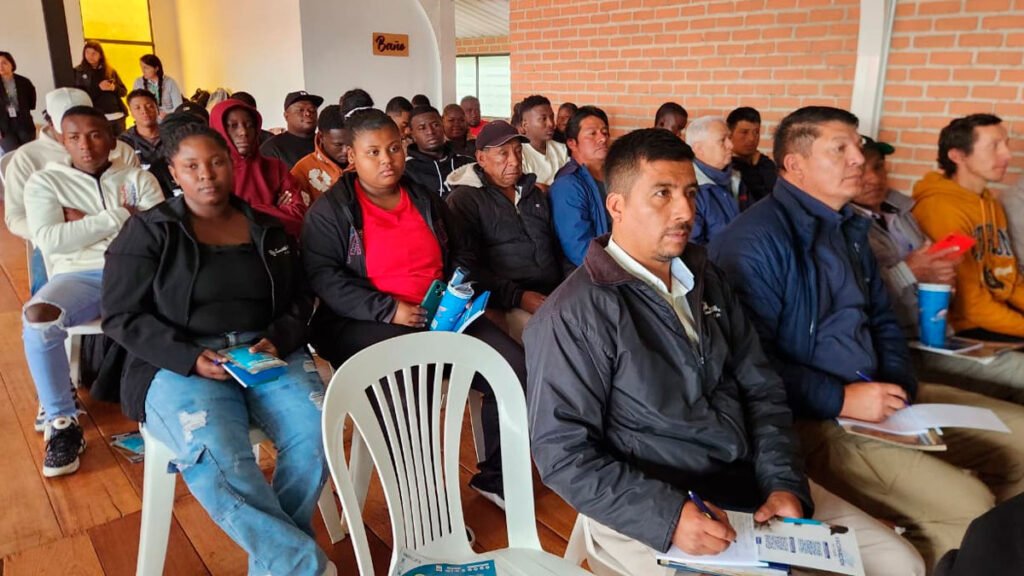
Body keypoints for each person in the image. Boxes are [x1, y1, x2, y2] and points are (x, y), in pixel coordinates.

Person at [526, 127, 924, 576]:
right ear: (616, 206)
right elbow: (562, 452)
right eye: (662, 193)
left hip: (749, 481)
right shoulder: (573, 314)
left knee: (899, 563)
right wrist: (670, 516)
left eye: (690, 192)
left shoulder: (707, 280)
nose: (684, 211)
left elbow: (763, 391)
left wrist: (784, 484)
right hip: (654, 504)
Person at [708, 106, 1024, 567]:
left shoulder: (850, 229)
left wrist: (899, 386)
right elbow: (751, 364)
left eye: (857, 145)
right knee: (969, 505)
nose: (859, 158)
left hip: (882, 398)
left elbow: (883, 322)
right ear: (794, 165)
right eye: (840, 149)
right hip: (812, 417)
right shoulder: (753, 241)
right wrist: (841, 399)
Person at [102, 122, 333, 576]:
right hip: (179, 360)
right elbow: (120, 315)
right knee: (218, 455)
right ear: (173, 172)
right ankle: (302, 563)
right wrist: (190, 358)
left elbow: (302, 298)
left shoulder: (267, 228)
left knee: (315, 434)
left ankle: (276, 565)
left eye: (217, 162)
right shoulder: (150, 233)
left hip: (266, 350)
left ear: (231, 166)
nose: (207, 174)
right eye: (192, 166)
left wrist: (280, 338)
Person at [302, 108, 526, 506]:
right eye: (373, 152)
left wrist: (454, 291)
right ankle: (422, 507)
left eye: (393, 149)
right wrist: (387, 309)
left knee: (515, 369)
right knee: (409, 392)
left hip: (438, 313)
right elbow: (324, 278)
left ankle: (496, 478)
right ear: (352, 157)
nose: (386, 160)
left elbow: (460, 252)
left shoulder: (423, 197)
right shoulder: (332, 212)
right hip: (364, 321)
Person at [21, 105, 162, 477]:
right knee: (38, 316)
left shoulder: (137, 179)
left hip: (138, 270)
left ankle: (166, 402)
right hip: (82, 276)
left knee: (186, 298)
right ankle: (61, 421)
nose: (85, 145)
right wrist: (118, 217)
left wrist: (84, 226)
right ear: (62, 140)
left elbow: (160, 234)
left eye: (95, 134)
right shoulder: (45, 183)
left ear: (112, 139)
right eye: (74, 137)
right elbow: (50, 241)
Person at [852, 136, 1024, 406]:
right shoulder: (843, 224)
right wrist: (910, 271)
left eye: (879, 167)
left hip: (939, 332)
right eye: (862, 169)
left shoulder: (902, 211)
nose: (874, 178)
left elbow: (1005, 280)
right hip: (896, 345)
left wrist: (944, 279)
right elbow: (856, 294)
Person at [5, 88, 139, 293]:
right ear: (50, 123)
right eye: (69, 131)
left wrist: (89, 222)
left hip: (121, 242)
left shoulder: (120, 150)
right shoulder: (27, 158)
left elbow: (139, 207)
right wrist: (58, 232)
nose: (84, 144)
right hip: (61, 250)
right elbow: (15, 217)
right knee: (45, 304)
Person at [446, 121, 567, 343]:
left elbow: (557, 247)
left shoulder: (533, 194)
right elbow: (468, 268)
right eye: (503, 153)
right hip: (506, 301)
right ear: (481, 159)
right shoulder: (464, 200)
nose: (514, 160)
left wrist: (571, 284)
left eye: (518, 151)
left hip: (551, 292)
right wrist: (518, 297)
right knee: (554, 341)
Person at [912, 114, 1024, 340]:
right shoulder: (941, 207)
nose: (1007, 155)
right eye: (994, 146)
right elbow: (970, 305)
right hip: (965, 328)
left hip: (996, 316)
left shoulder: (989, 202)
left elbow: (1009, 282)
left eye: (1006, 145)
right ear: (958, 155)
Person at [209, 98, 307, 237]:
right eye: (233, 126)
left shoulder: (275, 167)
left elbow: (298, 216)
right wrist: (273, 210)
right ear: (219, 130)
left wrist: (241, 213)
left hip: (276, 251)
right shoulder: (209, 174)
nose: (243, 132)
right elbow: (214, 225)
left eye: (249, 125)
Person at [549, 106, 611, 266]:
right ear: (572, 143)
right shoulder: (567, 185)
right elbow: (580, 250)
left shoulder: (616, 175)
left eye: (605, 132)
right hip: (593, 272)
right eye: (592, 133)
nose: (602, 138)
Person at [686, 116, 746, 245]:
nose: (731, 145)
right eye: (722, 140)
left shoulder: (737, 178)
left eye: (729, 138)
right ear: (699, 149)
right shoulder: (691, 190)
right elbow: (692, 250)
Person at [403, 105, 473, 198]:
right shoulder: (407, 171)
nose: (431, 132)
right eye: (422, 128)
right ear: (413, 134)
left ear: (442, 125)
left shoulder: (466, 161)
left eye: (435, 125)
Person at [120, 89, 176, 198]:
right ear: (131, 112)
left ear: (157, 109)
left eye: (149, 106)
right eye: (137, 108)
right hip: (144, 195)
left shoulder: (173, 135)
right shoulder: (124, 142)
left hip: (175, 192)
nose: (144, 111)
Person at [291, 104, 350, 203]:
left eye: (350, 143)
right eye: (338, 145)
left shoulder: (365, 163)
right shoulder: (302, 171)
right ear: (321, 137)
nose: (346, 150)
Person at [73, 41, 127, 135]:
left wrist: (113, 88)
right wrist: (99, 88)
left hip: (117, 115)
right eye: (87, 53)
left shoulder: (110, 70)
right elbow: (80, 97)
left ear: (100, 55)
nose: (90, 56)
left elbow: (124, 92)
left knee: (122, 145)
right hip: (96, 117)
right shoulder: (78, 72)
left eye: (94, 53)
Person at [260, 91, 323, 168]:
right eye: (301, 110)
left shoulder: (325, 143)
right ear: (286, 116)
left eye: (312, 109)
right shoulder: (272, 149)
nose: (308, 113)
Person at [728, 106, 777, 203]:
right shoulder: (724, 166)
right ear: (729, 134)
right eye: (744, 132)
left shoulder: (766, 164)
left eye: (756, 132)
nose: (751, 138)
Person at [518, 95, 568, 186]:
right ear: (525, 125)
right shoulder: (519, 154)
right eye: (543, 119)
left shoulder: (562, 149)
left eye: (552, 117)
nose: (551, 124)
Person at [0, 51, 37, 152]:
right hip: (4, 125)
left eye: (4, 63)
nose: (1, 66)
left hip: (23, 120)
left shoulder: (24, 82)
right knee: (12, 153)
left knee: (29, 151)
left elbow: (31, 101)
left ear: (11, 63)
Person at [131, 54, 182, 119]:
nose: (143, 71)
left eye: (146, 68)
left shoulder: (170, 82)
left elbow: (178, 106)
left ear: (156, 68)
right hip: (147, 119)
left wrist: (167, 114)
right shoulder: (138, 82)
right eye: (141, 67)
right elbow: (135, 104)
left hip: (167, 119)